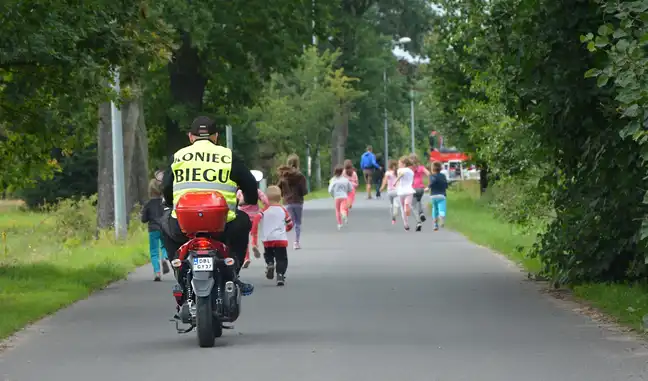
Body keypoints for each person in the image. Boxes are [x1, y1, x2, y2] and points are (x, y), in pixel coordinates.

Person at [159, 116, 258, 296]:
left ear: (190, 137)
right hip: (223, 226)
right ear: (216, 137)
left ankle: (179, 269)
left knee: (164, 222)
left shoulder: (178, 156)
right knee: (243, 220)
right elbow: (250, 185)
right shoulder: (228, 156)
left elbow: (166, 186)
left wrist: (170, 202)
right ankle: (233, 272)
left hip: (184, 225)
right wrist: (250, 199)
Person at [251, 186, 294, 286]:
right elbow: (290, 224)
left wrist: (254, 237)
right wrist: (286, 229)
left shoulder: (264, 211)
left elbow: (256, 220)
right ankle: (280, 275)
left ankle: (270, 264)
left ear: (267, 198)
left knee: (268, 254)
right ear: (280, 198)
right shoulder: (283, 210)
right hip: (280, 239)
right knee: (281, 258)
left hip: (267, 239)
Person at [237, 171, 269, 269]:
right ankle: (254, 244)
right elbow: (266, 202)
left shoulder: (239, 192)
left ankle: (246, 258)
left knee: (244, 237)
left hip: (243, 216)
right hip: (255, 216)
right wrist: (263, 211)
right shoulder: (257, 191)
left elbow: (236, 203)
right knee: (254, 233)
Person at [276, 154, 308, 250]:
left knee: (289, 222)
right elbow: (304, 191)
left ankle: (280, 239)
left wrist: (283, 195)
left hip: (287, 202)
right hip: (298, 202)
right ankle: (296, 242)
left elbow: (278, 188)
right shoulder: (300, 176)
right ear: (297, 163)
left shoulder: (283, 176)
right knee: (297, 223)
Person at [141, 178, 170, 281]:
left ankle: (157, 272)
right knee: (164, 246)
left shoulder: (148, 204)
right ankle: (165, 257)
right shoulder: (164, 203)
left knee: (154, 251)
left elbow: (144, 219)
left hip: (153, 229)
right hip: (164, 228)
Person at [409, 153, 431, 232]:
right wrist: (428, 185)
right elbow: (429, 174)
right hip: (421, 188)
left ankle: (418, 222)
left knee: (413, 205)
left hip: (413, 188)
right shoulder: (421, 167)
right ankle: (421, 213)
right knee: (419, 200)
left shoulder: (409, 168)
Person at [328, 165, 353, 230]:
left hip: (337, 197)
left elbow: (330, 190)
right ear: (342, 172)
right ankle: (344, 214)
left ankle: (339, 224)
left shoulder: (333, 180)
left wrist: (333, 195)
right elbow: (350, 188)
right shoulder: (345, 180)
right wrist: (346, 191)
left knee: (337, 210)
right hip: (344, 196)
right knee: (343, 208)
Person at [394, 156, 415, 231]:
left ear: (404, 164)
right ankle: (405, 224)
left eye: (399, 163)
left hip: (407, 190)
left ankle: (407, 207)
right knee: (403, 208)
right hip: (402, 191)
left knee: (405, 205)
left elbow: (402, 174)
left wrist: (395, 181)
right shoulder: (401, 170)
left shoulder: (407, 170)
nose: (398, 164)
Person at [428, 161, 449, 231]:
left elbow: (432, 183)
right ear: (440, 168)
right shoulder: (443, 176)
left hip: (433, 196)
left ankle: (435, 225)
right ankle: (442, 216)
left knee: (435, 209)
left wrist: (428, 187)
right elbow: (446, 185)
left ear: (432, 169)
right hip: (442, 195)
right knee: (442, 208)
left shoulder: (431, 176)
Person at [379, 160, 399, 225]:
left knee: (391, 203)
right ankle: (395, 212)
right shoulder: (398, 172)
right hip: (397, 191)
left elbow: (384, 180)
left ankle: (393, 216)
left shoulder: (388, 173)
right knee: (396, 203)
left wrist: (382, 187)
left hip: (390, 191)